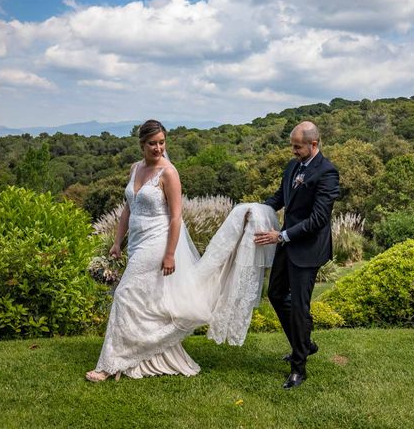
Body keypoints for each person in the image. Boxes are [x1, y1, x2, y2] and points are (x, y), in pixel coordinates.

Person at [86, 120, 277, 382]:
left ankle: (109, 365)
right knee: (147, 301)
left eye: (162, 142)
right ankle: (148, 356)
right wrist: (118, 243)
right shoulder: (135, 169)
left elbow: (176, 217)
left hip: (159, 241)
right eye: (152, 143)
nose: (158, 148)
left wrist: (169, 254)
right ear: (142, 144)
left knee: (124, 294)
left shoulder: (169, 173)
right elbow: (127, 210)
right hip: (138, 241)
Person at [255, 121, 339, 389]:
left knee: (300, 308)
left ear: (313, 144)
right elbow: (280, 198)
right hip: (287, 243)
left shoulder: (327, 173)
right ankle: (305, 343)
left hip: (308, 248)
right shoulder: (292, 167)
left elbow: (317, 219)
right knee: (276, 294)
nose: (293, 151)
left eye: (297, 146)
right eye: (293, 145)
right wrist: (253, 210)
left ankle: (298, 367)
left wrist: (280, 236)